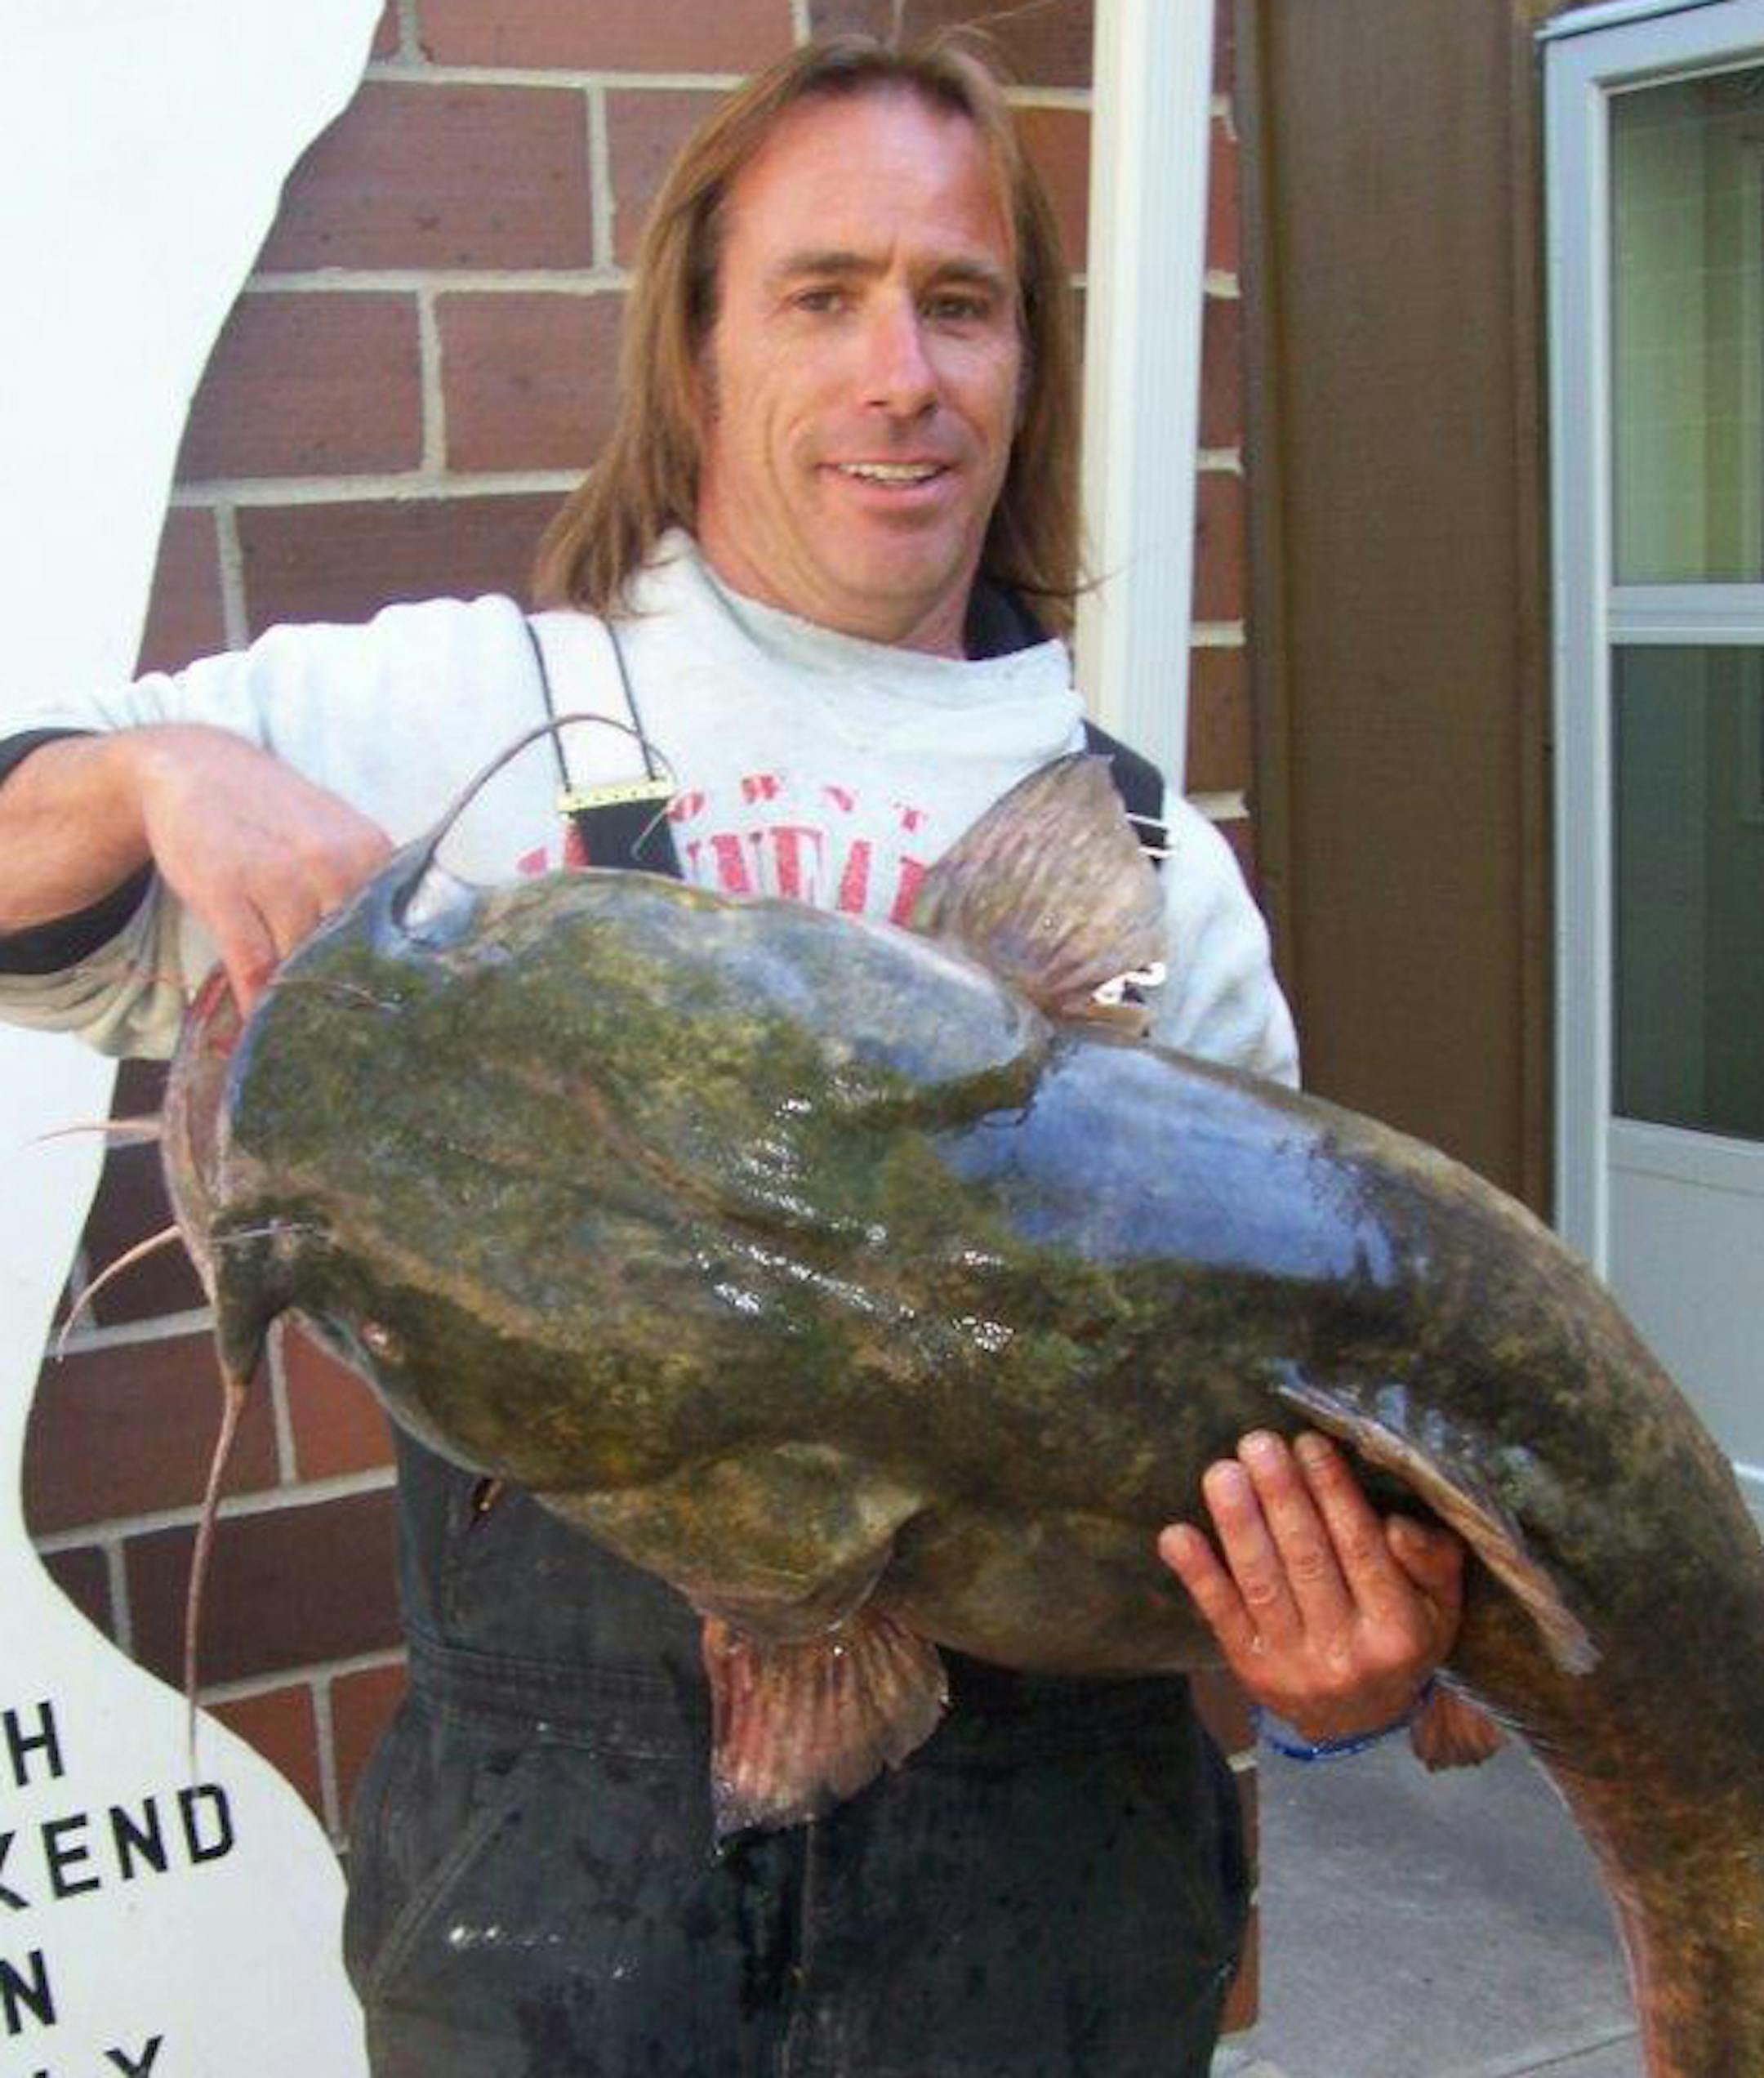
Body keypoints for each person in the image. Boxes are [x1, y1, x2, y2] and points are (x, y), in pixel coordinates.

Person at [0, 35, 1463, 2078]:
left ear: (1023, 371)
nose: (902, 373)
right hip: (549, 1920)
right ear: (691, 353)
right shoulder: (452, 726)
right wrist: (162, 773)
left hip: (1045, 1923)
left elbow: (1311, 1437)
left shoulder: (1149, 870)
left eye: (961, 305)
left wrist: (1356, 1674)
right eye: (822, 293)